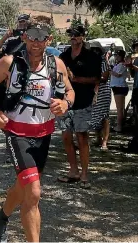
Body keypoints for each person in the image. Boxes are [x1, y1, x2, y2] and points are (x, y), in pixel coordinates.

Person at [0, 22, 75, 242]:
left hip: (43, 135)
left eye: (41, 37)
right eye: (32, 37)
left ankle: (2, 215)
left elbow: (70, 91)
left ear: (49, 40)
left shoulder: (56, 65)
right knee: (33, 193)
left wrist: (66, 104)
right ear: (24, 37)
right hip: (17, 134)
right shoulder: (10, 63)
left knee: (24, 187)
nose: (36, 42)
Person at [57, 24, 101, 189]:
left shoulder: (91, 56)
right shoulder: (63, 55)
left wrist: (75, 80)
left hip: (83, 102)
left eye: (76, 34)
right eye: (71, 34)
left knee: (82, 138)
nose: (73, 37)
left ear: (83, 36)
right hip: (65, 102)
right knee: (66, 137)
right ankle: (73, 171)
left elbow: (97, 79)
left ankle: (84, 174)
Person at [89, 42, 111, 150]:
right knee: (95, 115)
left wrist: (94, 79)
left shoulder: (103, 63)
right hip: (94, 91)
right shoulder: (91, 63)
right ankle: (98, 139)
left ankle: (104, 142)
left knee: (104, 117)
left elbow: (105, 77)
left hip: (103, 92)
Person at [110, 49, 129, 132]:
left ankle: (119, 126)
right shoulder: (118, 64)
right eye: (115, 55)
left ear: (121, 56)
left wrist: (110, 71)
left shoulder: (122, 65)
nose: (116, 57)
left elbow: (118, 75)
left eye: (117, 55)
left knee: (119, 108)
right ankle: (122, 124)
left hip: (119, 87)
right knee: (121, 108)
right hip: (117, 87)